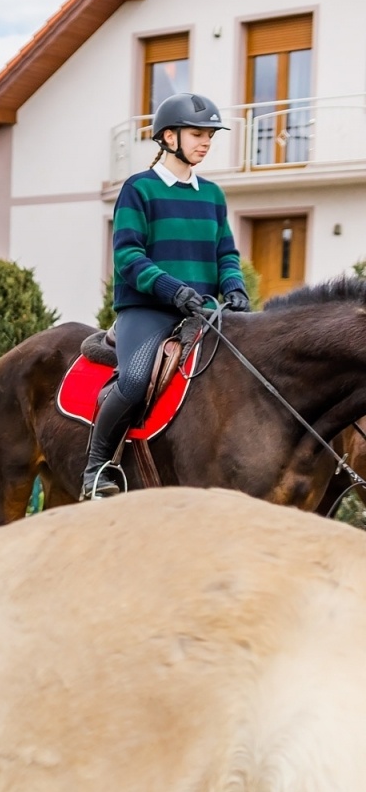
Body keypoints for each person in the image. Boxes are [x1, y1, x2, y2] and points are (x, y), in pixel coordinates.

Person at [82, 91, 251, 499]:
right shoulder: (139, 189)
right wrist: (172, 290)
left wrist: (234, 286)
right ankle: (97, 467)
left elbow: (226, 252)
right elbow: (128, 257)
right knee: (136, 380)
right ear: (169, 137)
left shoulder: (213, 194)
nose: (206, 142)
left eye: (210, 135)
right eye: (197, 133)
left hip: (205, 312)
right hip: (149, 310)